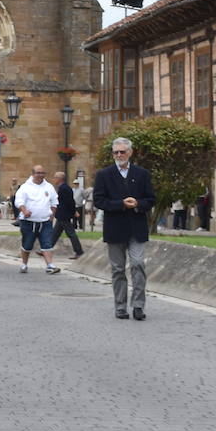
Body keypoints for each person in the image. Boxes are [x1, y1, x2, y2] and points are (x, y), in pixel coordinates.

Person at [92, 137, 156, 320]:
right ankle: (120, 306)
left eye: (122, 152)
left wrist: (137, 203)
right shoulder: (104, 175)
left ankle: (138, 305)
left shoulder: (142, 174)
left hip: (137, 227)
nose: (119, 155)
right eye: (116, 152)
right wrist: (120, 204)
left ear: (130, 152)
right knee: (118, 269)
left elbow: (150, 199)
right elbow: (99, 200)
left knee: (137, 264)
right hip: (115, 228)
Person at [14, 164, 61, 274]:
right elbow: (19, 201)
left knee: (47, 243)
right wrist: (24, 210)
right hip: (28, 222)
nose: (40, 175)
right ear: (33, 174)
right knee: (27, 244)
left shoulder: (48, 187)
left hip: (45, 221)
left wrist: (52, 214)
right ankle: (24, 264)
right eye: (38, 173)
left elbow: (54, 201)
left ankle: (50, 265)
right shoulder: (25, 187)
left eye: (42, 173)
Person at [51, 170, 83, 258]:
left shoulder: (64, 188)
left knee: (71, 234)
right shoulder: (62, 188)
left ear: (59, 179)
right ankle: (46, 249)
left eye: (55, 177)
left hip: (63, 215)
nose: (54, 179)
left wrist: (74, 212)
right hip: (61, 215)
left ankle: (79, 252)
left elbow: (70, 202)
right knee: (55, 233)